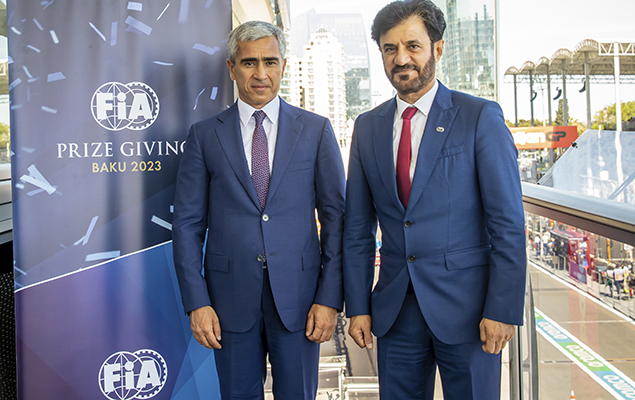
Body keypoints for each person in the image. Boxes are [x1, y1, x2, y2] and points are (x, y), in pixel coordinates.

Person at [342, 1, 527, 399]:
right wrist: (357, 306)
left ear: (437, 49)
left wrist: (502, 308)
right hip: (395, 312)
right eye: (390, 48)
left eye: (413, 46)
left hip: (470, 311)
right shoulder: (367, 127)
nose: (401, 58)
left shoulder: (479, 117)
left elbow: (508, 222)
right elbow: (357, 228)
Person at [172, 21, 346, 399]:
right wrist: (197, 302)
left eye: (270, 61)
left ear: (284, 65)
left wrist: (330, 298)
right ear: (232, 68)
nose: (261, 73)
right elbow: (186, 225)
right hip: (228, 301)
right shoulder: (204, 135)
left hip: (301, 301)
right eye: (249, 63)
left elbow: (336, 221)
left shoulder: (316, 131)